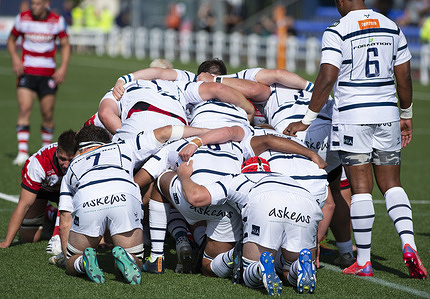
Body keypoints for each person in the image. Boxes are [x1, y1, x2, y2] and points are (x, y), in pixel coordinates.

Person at [285, 0, 427, 279]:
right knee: (392, 184)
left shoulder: (338, 29)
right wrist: (406, 114)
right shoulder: (391, 26)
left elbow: (327, 78)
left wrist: (306, 120)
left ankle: (363, 261)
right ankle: (408, 245)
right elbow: (405, 77)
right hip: (387, 113)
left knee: (361, 188)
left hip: (353, 117)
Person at [58, 124, 212, 284]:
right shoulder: (122, 146)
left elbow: (65, 218)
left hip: (88, 198)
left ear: (80, 148)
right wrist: (207, 132)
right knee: (135, 259)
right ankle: (127, 259)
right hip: (124, 196)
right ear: (107, 141)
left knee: (73, 259)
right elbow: (165, 132)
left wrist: (67, 255)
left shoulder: (73, 166)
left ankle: (82, 263)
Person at [176, 157, 322, 295]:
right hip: (307, 203)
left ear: (244, 169)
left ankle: (259, 268)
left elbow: (196, 197)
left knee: (248, 274)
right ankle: (299, 267)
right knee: (288, 268)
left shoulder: (238, 178)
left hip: (265, 200)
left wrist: (184, 176)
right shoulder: (286, 178)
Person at [8, 0, 71, 166]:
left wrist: (63, 68)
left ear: (46, 4)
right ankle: (22, 152)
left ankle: (46, 151)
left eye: (37, 4)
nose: (34, 7)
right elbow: (11, 40)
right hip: (27, 72)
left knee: (47, 114)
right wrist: (15, 59)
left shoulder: (57, 21)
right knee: (24, 109)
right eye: (32, 3)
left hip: (48, 74)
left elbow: (65, 45)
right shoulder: (22, 18)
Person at [0, 130, 77, 251]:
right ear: (57, 152)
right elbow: (24, 205)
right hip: (44, 191)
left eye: (70, 160)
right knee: (29, 237)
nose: (66, 165)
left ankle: (57, 224)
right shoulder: (38, 163)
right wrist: (6, 242)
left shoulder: (82, 160)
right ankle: (50, 213)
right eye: (63, 159)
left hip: (70, 193)